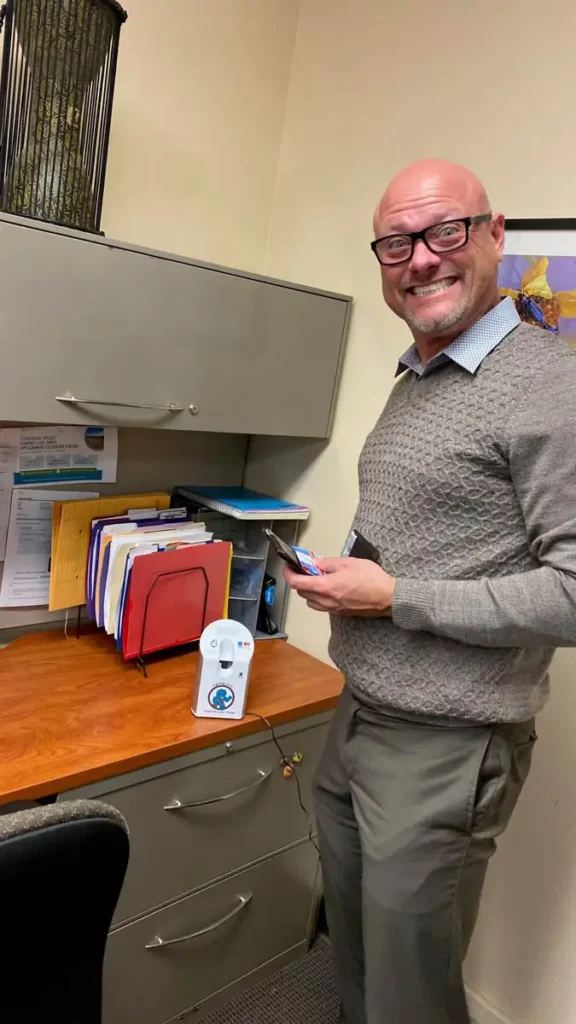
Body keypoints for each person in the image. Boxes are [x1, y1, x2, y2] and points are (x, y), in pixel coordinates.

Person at [284, 158, 576, 1024]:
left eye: (444, 231)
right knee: (359, 954)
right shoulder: (418, 373)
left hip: (448, 744)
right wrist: (349, 581)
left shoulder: (551, 389)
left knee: (412, 992)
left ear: (493, 236)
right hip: (358, 714)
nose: (420, 259)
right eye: (396, 243)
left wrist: (395, 596)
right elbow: (425, 525)